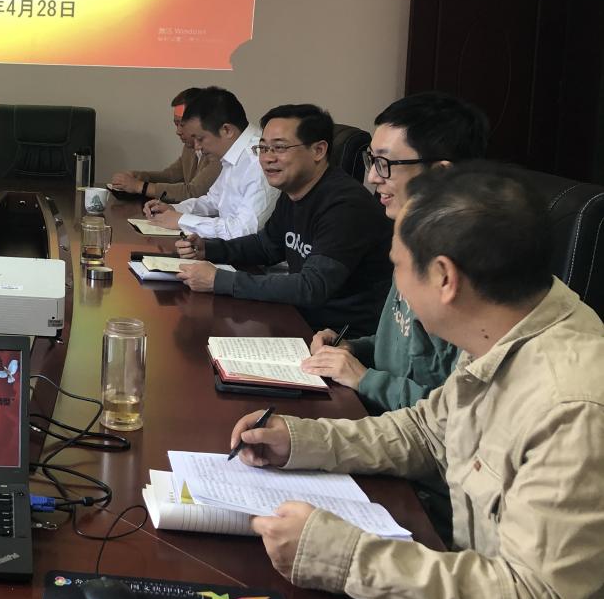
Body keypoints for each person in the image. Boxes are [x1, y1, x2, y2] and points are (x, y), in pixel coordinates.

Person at [229, 164, 604, 599]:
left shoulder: (572, 407)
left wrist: (342, 557)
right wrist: (301, 440)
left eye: (398, 266)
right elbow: (427, 432)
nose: (397, 286)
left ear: (445, 278)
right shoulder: (503, 327)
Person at [302, 91, 489, 412]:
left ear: (440, 174)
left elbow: (457, 414)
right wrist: (352, 349)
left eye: (385, 163)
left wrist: (365, 379)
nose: (372, 176)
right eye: (371, 160)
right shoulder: (415, 237)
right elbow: (404, 348)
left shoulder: (470, 271)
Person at [175, 104, 391, 335]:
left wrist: (220, 280)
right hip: (298, 317)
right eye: (263, 148)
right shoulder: (295, 191)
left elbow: (312, 287)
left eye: (279, 148)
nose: (268, 158)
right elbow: (266, 246)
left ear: (318, 150)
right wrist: (209, 249)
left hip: (338, 337)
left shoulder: (345, 205)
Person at [141, 86, 277, 239]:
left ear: (226, 130)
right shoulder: (234, 153)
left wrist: (181, 220)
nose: (197, 147)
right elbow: (213, 200)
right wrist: (173, 209)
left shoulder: (258, 158)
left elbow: (245, 230)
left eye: (200, 139)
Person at [109, 87, 222, 202]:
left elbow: (193, 192)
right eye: (176, 124)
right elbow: (171, 176)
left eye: (182, 125)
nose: (178, 131)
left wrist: (139, 186)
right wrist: (141, 177)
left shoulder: (217, 152)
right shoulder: (189, 147)